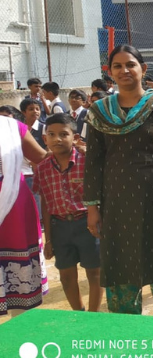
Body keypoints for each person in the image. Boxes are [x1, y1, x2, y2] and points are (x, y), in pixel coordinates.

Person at [84, 45, 153, 316]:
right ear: (110, 72)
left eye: (130, 64)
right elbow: (93, 162)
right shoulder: (99, 111)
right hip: (117, 205)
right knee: (122, 267)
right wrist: (93, 208)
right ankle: (128, 333)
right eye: (117, 66)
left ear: (142, 69)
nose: (124, 70)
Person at [35, 113, 102, 312]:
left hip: (87, 224)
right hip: (59, 227)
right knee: (66, 275)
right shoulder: (42, 168)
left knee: (95, 272)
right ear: (45, 139)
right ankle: (78, 313)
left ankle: (94, 315)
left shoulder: (87, 161)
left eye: (64, 134)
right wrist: (48, 239)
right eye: (52, 134)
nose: (57, 139)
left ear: (75, 137)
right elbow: (46, 203)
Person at [0, 114, 49, 317]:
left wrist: (72, 150)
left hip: (13, 205)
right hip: (15, 205)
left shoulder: (11, 127)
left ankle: (18, 328)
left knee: (20, 286)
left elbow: (42, 158)